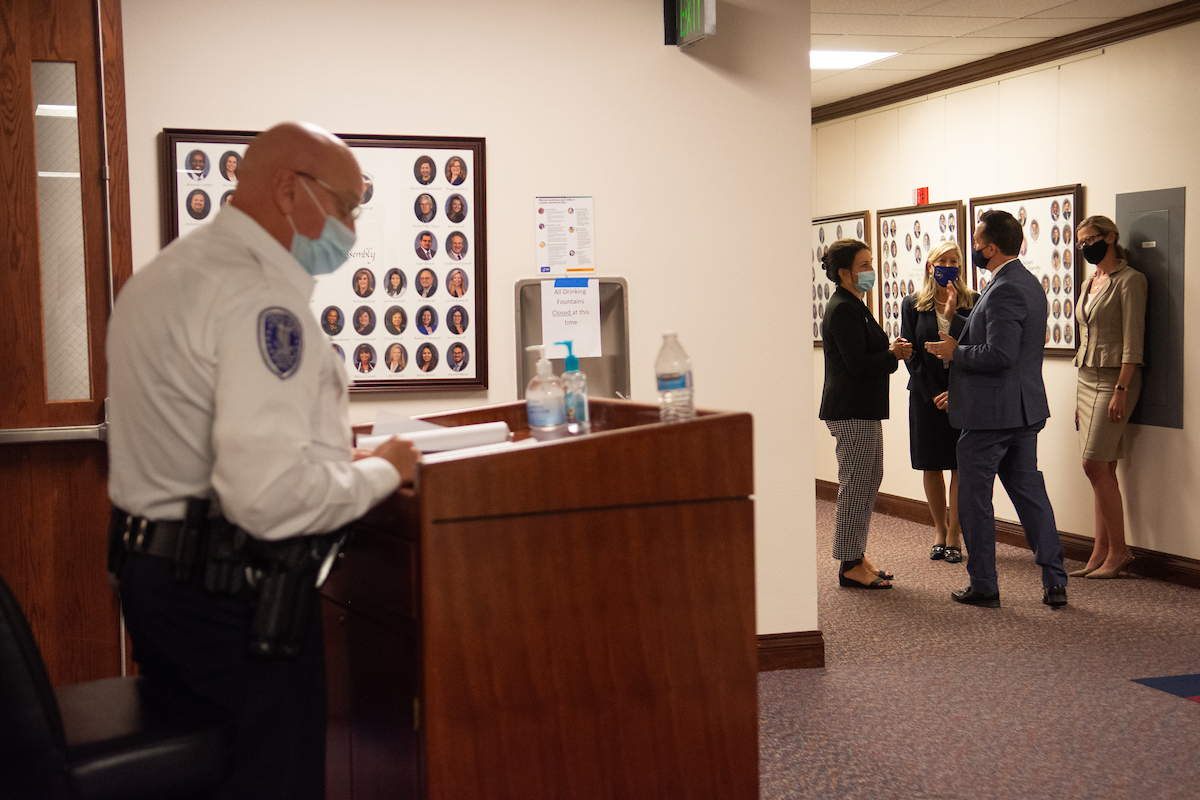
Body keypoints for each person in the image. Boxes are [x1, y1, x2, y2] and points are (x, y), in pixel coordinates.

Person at [106, 121, 420, 799]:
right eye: (345, 205)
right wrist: (385, 469)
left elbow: (199, 432)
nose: (351, 227)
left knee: (218, 779)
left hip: (159, 578)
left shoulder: (167, 276)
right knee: (273, 778)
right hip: (232, 596)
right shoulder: (259, 298)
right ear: (288, 190)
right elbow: (268, 498)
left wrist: (329, 459)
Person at [925, 209, 1068, 609]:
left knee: (974, 500)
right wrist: (957, 322)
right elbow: (1004, 340)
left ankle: (984, 584)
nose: (971, 248)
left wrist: (957, 352)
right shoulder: (1025, 282)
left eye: (974, 242)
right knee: (1030, 495)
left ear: (990, 247)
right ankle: (1055, 579)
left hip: (992, 416)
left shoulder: (1004, 287)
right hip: (1023, 410)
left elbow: (1000, 353)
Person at [819, 238, 911, 590]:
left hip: (862, 408)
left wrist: (890, 351)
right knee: (857, 484)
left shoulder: (854, 302)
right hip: (850, 408)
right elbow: (857, 365)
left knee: (869, 480)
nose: (871, 271)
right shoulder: (843, 307)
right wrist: (894, 356)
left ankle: (856, 555)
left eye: (872, 263)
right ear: (844, 273)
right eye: (864, 266)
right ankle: (848, 564)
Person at [1070, 215, 1147, 579]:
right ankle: (1100, 550)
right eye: (1081, 242)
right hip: (1086, 379)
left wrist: (1121, 388)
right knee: (1104, 468)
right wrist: (1076, 398)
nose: (1087, 247)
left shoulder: (1130, 281)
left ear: (1111, 237)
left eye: (1092, 239)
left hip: (1114, 381)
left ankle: (1120, 551)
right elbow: (1086, 339)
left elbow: (1134, 341)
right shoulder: (1090, 282)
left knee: (1093, 465)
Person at [901, 241, 977, 564]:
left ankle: (955, 535)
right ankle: (939, 530)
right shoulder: (912, 304)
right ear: (930, 266)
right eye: (942, 261)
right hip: (926, 396)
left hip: (962, 394)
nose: (948, 265)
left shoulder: (971, 301)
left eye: (954, 261)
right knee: (931, 464)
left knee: (960, 465)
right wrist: (934, 392)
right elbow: (911, 354)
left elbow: (976, 346)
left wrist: (955, 392)